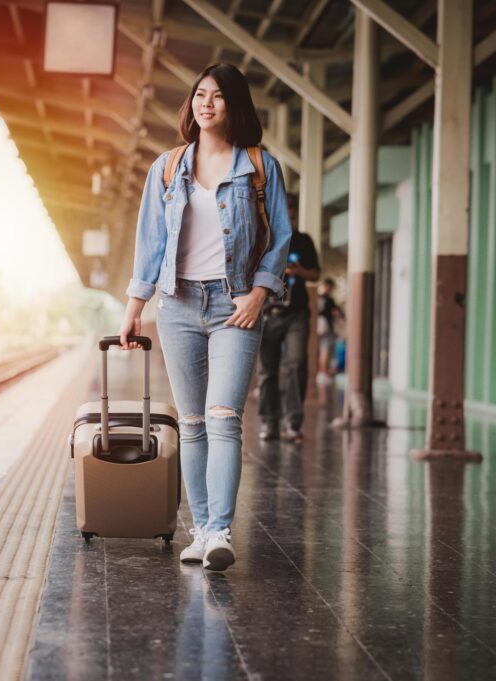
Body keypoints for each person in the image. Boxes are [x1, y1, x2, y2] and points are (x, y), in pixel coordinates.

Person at [118, 63, 292, 571]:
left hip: (234, 305)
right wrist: (134, 308)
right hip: (177, 306)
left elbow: (280, 236)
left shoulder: (260, 167)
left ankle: (219, 531)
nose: (206, 103)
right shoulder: (168, 168)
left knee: (223, 419)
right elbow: (150, 243)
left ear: (235, 105)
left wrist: (260, 292)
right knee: (191, 424)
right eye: (199, 94)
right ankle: (199, 531)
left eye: (217, 96)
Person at [256, 207, 321, 442]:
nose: (286, 218)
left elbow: (315, 274)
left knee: (296, 364)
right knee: (266, 371)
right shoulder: (261, 237)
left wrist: (298, 271)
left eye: (291, 215)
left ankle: (293, 423)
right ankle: (269, 422)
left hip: (297, 314)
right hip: (267, 312)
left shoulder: (303, 241)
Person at [315, 277, 343, 385]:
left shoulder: (317, 298)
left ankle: (322, 373)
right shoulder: (328, 300)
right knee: (324, 350)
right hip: (325, 327)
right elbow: (335, 312)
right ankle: (323, 373)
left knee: (322, 350)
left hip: (318, 327)